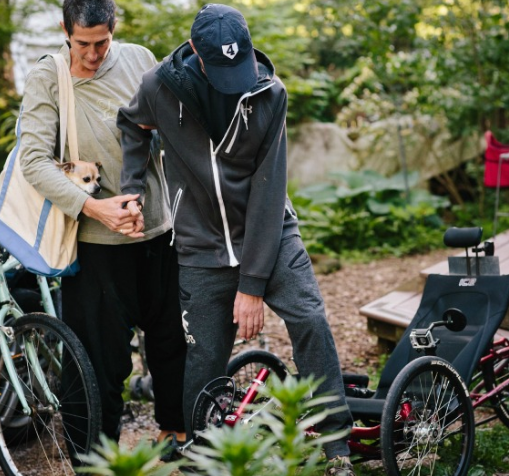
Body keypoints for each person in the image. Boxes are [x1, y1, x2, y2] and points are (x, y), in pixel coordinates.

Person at [117, 4, 355, 475]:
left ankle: (336, 447)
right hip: (200, 246)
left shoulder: (269, 92)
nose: (235, 78)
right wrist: (131, 188)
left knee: (310, 319)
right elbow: (132, 125)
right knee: (203, 357)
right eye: (222, 69)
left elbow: (270, 193)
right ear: (198, 57)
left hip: (270, 235)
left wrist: (252, 284)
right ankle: (201, 460)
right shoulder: (159, 87)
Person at [17, 0, 186, 451]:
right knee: (99, 364)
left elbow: (164, 132)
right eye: (82, 44)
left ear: (115, 28)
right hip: (95, 245)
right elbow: (34, 161)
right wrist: (97, 209)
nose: (92, 54)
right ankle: (94, 459)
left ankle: (179, 439)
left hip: (158, 231)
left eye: (101, 42)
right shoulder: (48, 77)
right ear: (65, 31)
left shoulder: (138, 59)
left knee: (172, 344)